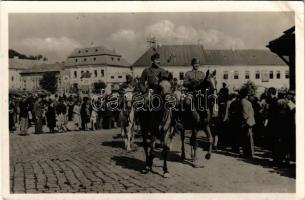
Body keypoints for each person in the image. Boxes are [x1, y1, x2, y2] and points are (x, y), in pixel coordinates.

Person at [183, 58, 213, 166]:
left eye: (198, 64)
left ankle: (209, 116)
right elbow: (184, 83)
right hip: (191, 92)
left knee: (209, 101)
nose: (197, 65)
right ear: (192, 64)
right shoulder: (188, 73)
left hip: (200, 93)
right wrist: (191, 82)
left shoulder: (201, 74)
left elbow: (205, 82)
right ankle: (184, 120)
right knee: (186, 102)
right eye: (195, 64)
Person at [239, 88, 255, 158]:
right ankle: (250, 153)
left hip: (246, 122)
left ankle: (248, 153)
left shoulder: (242, 102)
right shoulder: (248, 102)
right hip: (250, 121)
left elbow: (244, 114)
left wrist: (243, 121)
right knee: (249, 138)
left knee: (246, 139)